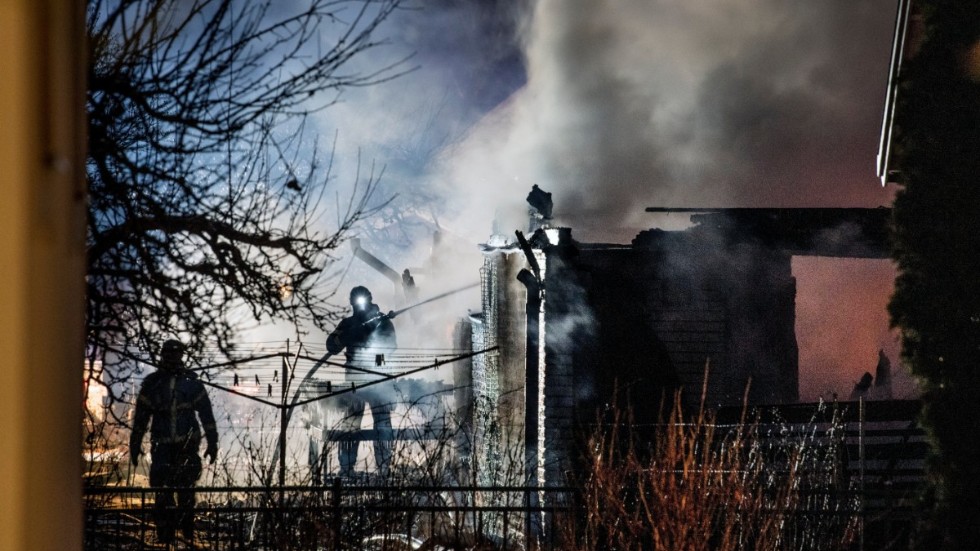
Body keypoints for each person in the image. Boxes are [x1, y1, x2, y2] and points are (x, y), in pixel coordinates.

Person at [130, 339, 218, 546]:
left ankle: (186, 535)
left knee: (185, 493)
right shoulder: (154, 384)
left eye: (175, 354)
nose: (172, 358)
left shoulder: (188, 383)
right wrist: (135, 443)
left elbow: (207, 415)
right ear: (163, 355)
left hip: (185, 448)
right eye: (168, 354)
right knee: (164, 495)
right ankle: (166, 537)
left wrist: (213, 442)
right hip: (162, 448)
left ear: (181, 355)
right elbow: (141, 419)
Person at [325, 286, 397, 476]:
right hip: (354, 382)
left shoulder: (382, 322)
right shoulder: (347, 324)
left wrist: (373, 347)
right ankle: (346, 468)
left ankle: (384, 468)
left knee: (382, 424)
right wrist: (349, 334)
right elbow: (331, 345)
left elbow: (390, 346)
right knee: (350, 425)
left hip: (378, 379)